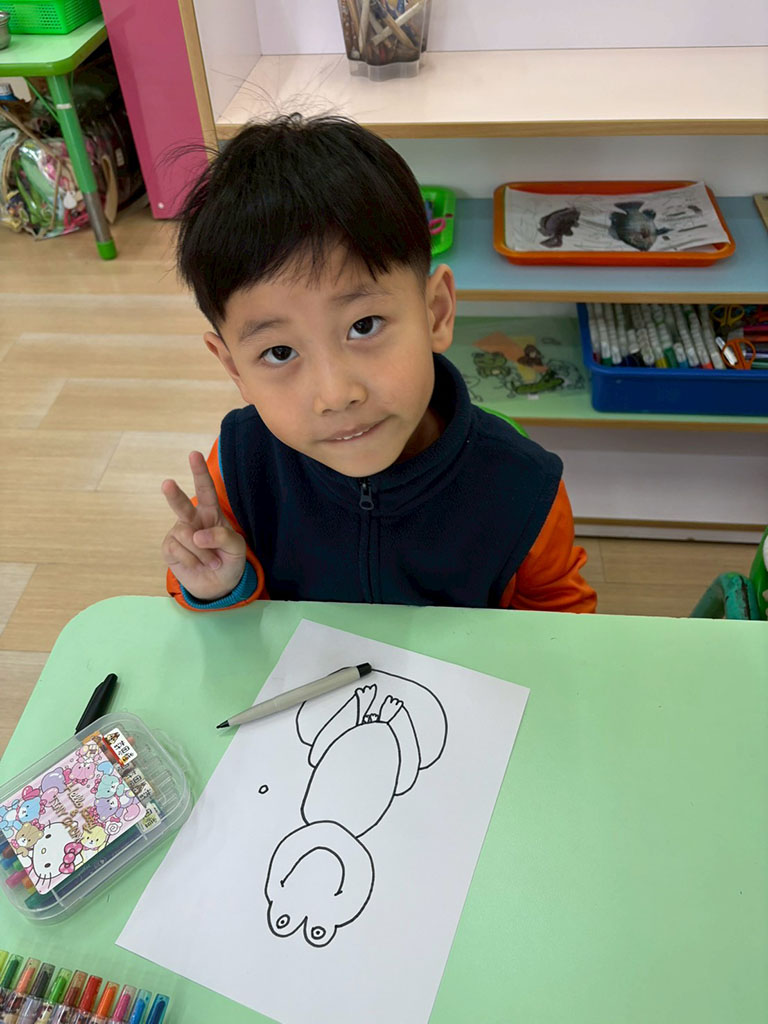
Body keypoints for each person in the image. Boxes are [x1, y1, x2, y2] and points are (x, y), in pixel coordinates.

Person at [161, 114, 596, 613]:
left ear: (436, 312)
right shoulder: (239, 467)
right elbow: (231, 630)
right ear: (234, 368)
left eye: (364, 325)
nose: (336, 394)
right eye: (279, 353)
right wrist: (221, 587)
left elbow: (561, 614)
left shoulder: (522, 483)